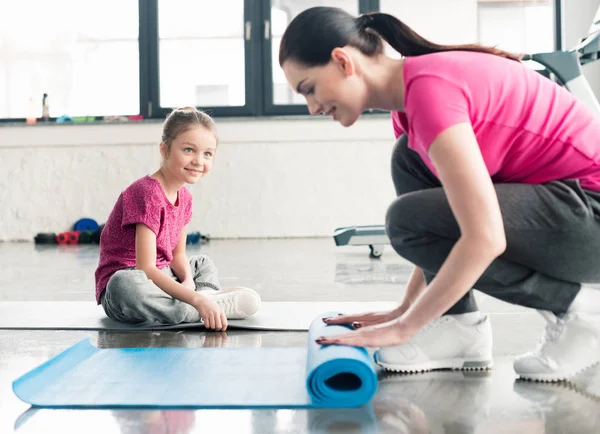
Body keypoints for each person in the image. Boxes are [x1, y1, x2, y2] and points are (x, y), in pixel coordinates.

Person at [279, 7, 600, 381]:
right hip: (570, 211)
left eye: (310, 89)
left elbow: (484, 236)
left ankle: (580, 309)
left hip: (591, 217)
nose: (313, 107)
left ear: (342, 61)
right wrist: (405, 308)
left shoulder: (431, 92)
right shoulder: (412, 100)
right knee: (409, 161)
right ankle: (458, 327)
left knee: (405, 220)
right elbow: (444, 226)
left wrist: (404, 329)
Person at [94, 107, 260, 331]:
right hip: (133, 281)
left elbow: (177, 255)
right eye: (189, 150)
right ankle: (199, 306)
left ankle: (201, 301)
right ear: (165, 150)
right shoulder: (146, 193)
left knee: (201, 264)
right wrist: (195, 298)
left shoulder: (185, 197)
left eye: (207, 153)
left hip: (163, 276)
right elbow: (146, 269)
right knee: (124, 285)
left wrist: (189, 282)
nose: (199, 161)